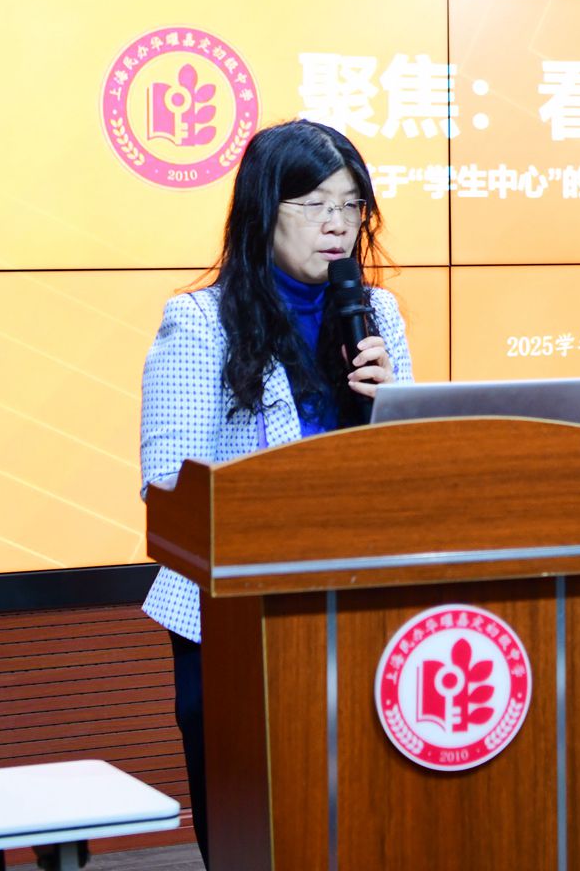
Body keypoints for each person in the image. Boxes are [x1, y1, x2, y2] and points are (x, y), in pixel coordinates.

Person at [138, 119, 412, 862]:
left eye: (351, 206)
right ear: (265, 209)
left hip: (358, 598)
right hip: (234, 612)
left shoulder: (377, 318)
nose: (337, 225)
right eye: (316, 204)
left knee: (361, 812)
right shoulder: (200, 323)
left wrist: (389, 408)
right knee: (256, 821)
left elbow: (409, 473)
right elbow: (167, 486)